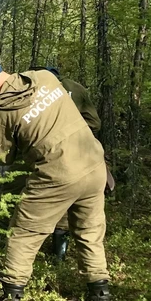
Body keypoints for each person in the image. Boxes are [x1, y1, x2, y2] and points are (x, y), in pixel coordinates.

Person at [0, 57, 111, 301]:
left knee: (24, 232)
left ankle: (10, 299)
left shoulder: (2, 113)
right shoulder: (43, 78)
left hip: (57, 175)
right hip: (93, 164)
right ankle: (100, 296)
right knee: (90, 232)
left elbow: (5, 157)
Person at [42, 67, 102, 260]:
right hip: (81, 152)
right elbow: (95, 123)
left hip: (48, 154)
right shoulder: (77, 88)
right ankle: (59, 257)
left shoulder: (41, 91)